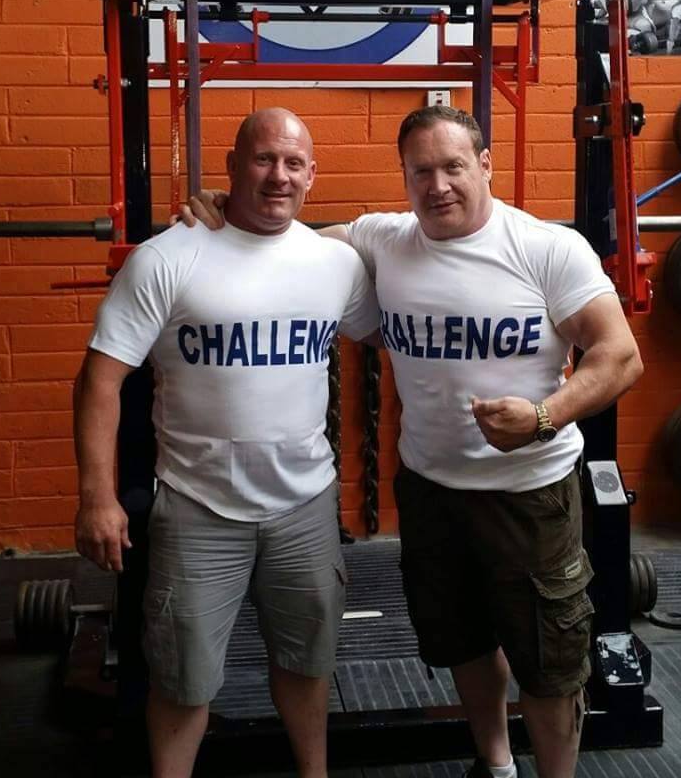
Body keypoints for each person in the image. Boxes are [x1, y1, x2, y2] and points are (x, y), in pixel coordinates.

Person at [183, 105, 644, 778]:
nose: (438, 186)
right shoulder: (384, 239)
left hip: (528, 494)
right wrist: (227, 212)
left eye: (453, 167)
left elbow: (620, 355)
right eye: (420, 172)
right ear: (404, 177)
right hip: (429, 492)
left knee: (549, 661)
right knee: (462, 638)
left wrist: (543, 416)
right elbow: (285, 241)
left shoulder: (547, 249)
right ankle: (495, 763)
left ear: (485, 165)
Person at [73, 108, 380, 778]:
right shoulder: (169, 257)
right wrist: (97, 496)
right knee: (183, 680)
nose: (279, 176)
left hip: (305, 507)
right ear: (233, 166)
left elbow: (404, 327)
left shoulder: (336, 265)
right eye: (264, 159)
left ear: (312, 175)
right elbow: (100, 379)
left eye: (294, 163)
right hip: (197, 507)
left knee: (307, 665)